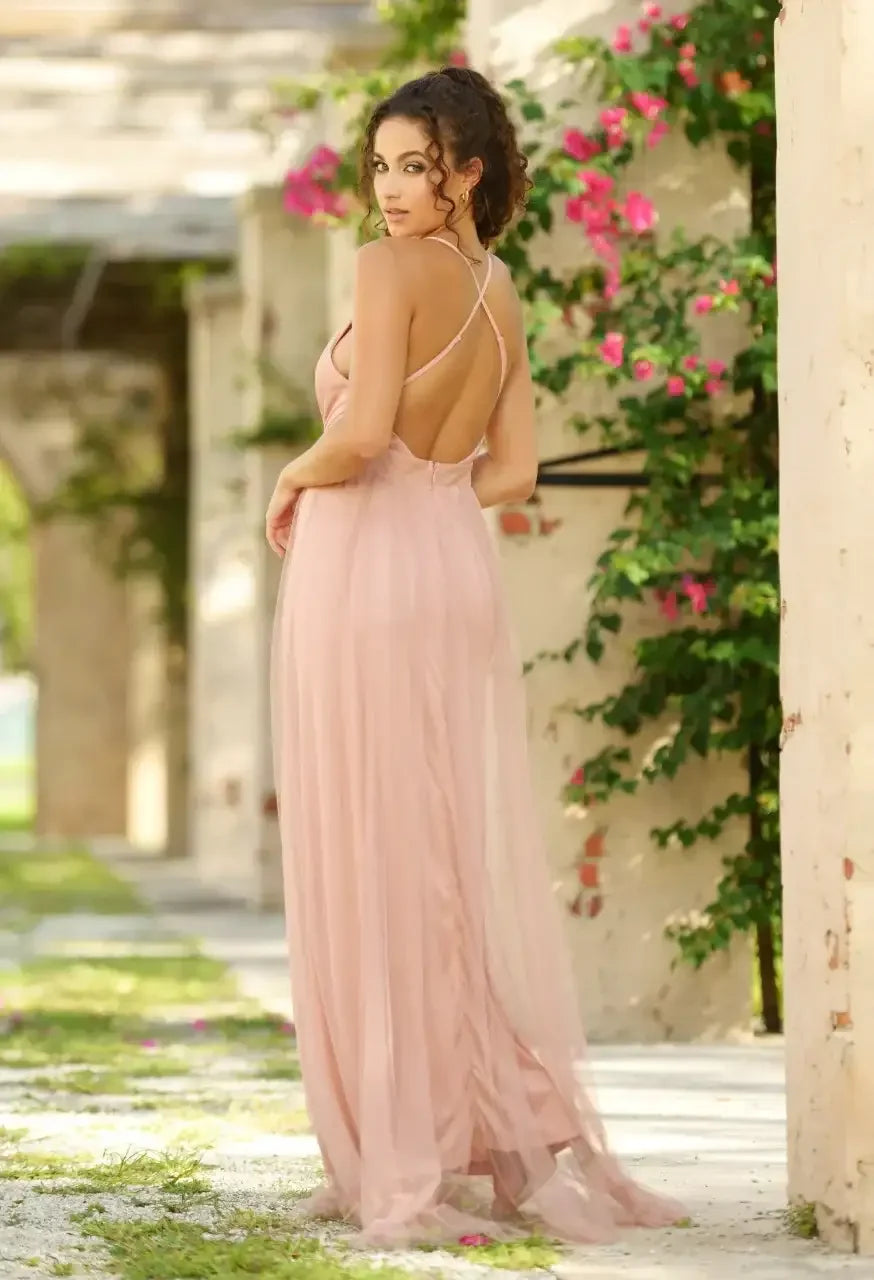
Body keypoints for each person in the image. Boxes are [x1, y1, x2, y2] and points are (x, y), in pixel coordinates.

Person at [267, 65, 685, 1249]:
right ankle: (477, 1129)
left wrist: (292, 475)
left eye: (418, 166)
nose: (394, 190)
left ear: (469, 172)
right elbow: (512, 473)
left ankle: (392, 1147)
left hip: (364, 569)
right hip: (451, 567)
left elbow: (356, 436)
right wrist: (429, 477)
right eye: (382, 166)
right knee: (441, 859)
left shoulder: (385, 269)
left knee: (371, 851)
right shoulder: (497, 291)